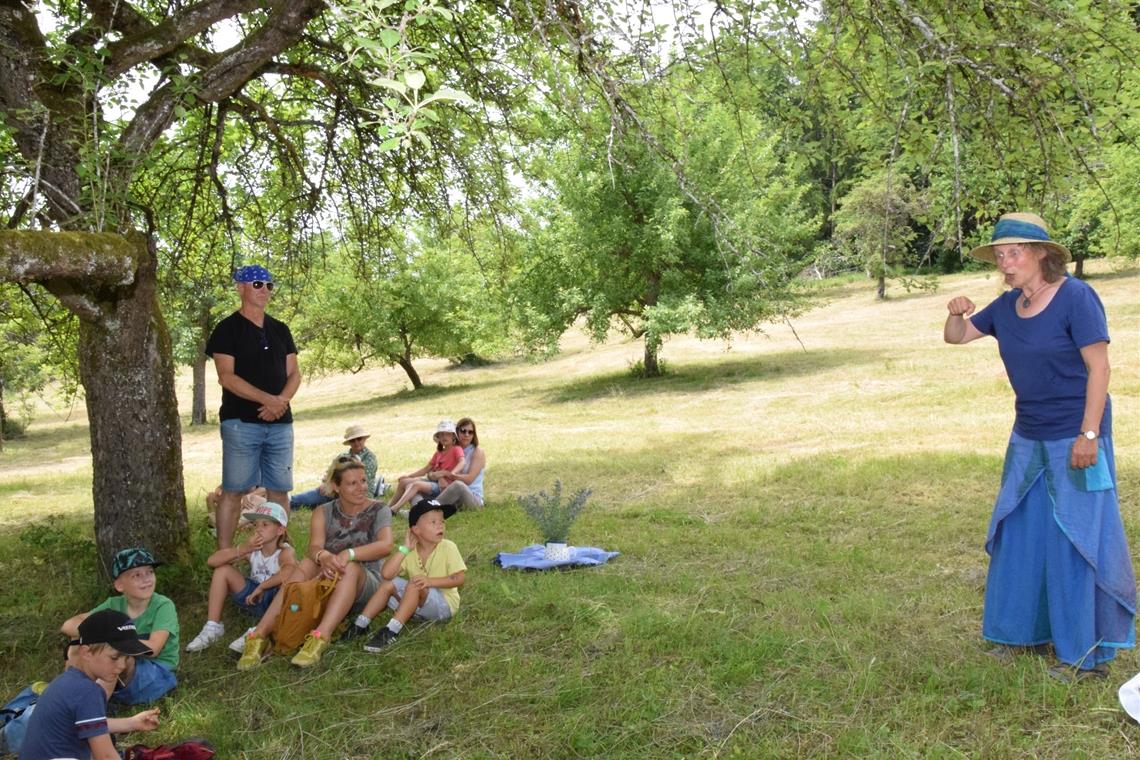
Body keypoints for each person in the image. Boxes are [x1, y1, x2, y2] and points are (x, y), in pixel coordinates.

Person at [943, 211, 1135, 680]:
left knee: (1077, 539)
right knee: (1021, 535)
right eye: (1000, 255)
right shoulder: (1007, 306)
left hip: (1076, 437)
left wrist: (1089, 435)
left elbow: (1101, 370)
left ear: (1042, 255)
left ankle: (1084, 656)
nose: (1006, 263)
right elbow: (958, 337)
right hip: (1028, 436)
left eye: (1015, 253)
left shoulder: (1076, 298)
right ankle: (1019, 634)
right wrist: (954, 313)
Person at [237, 457, 394, 670]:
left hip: (365, 582)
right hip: (327, 575)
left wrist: (348, 554)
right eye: (352, 483)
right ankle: (258, 635)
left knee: (348, 567)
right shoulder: (323, 511)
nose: (362, 488)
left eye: (364, 481)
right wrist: (325, 557)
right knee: (308, 564)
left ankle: (321, 637)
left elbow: (386, 545)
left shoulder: (379, 509)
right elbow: (314, 547)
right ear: (336, 487)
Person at [205, 264, 301, 549]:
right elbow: (227, 377)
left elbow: (294, 373)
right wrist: (267, 399)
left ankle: (278, 550)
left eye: (269, 285)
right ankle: (225, 555)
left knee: (280, 490)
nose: (265, 290)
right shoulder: (226, 329)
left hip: (280, 424)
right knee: (233, 491)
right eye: (258, 284)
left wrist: (280, 401)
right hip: (241, 423)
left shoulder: (280, 329)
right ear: (240, 287)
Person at [18, 610, 160, 760]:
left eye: (126, 658)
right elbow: (105, 756)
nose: (122, 666)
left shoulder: (67, 681)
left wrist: (131, 723)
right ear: (86, 652)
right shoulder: (88, 691)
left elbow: (85, 724)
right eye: (114, 657)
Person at [339, 499, 466, 652]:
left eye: (442, 521)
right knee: (388, 584)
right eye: (433, 522)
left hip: (444, 606)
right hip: (418, 605)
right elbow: (386, 574)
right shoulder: (410, 552)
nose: (440, 525)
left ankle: (391, 630)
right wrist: (404, 549)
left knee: (415, 584)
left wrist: (429, 581)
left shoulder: (448, 547)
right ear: (416, 530)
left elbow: (459, 579)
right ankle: (360, 624)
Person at [61, 548, 180, 704]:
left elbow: (153, 648)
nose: (147, 579)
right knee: (78, 641)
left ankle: (93, 707)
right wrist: (102, 633)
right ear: (119, 585)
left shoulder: (163, 606)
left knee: (117, 655)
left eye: (150, 572)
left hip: (155, 672)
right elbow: (68, 625)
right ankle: (68, 690)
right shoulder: (114, 604)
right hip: (123, 671)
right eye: (137, 575)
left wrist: (115, 640)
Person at [185, 501, 297, 653]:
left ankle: (259, 631)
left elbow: (289, 572)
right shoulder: (253, 550)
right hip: (254, 599)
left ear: (280, 530)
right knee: (222, 570)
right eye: (256, 525)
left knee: (288, 588)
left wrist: (262, 586)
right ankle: (213, 626)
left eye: (265, 525)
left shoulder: (284, 551)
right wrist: (243, 548)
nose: (258, 529)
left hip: (276, 602)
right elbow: (212, 561)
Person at [291, 424, 381, 508]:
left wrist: (332, 485)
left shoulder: (370, 458)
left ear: (364, 439)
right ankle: (287, 501)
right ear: (349, 442)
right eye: (352, 440)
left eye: (359, 439)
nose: (356, 442)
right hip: (336, 492)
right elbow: (329, 473)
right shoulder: (342, 456)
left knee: (316, 499)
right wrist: (326, 483)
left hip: (357, 495)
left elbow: (358, 481)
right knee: (302, 499)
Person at [387, 420, 465, 514]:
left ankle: (395, 509)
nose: (444, 437)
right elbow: (426, 469)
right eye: (441, 434)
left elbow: (462, 461)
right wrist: (409, 476)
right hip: (433, 481)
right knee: (404, 481)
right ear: (438, 437)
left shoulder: (456, 449)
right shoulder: (439, 453)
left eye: (447, 434)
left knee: (416, 485)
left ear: (453, 436)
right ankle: (388, 507)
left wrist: (453, 473)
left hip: (445, 487)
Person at [418, 417, 485, 510]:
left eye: (470, 432)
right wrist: (440, 477)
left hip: (472, 498)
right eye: (463, 431)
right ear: (456, 432)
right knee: (417, 484)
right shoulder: (452, 449)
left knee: (458, 485)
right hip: (449, 493)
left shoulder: (477, 452)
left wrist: (446, 474)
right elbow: (434, 470)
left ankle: (426, 510)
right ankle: (415, 510)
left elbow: (469, 479)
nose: (467, 434)